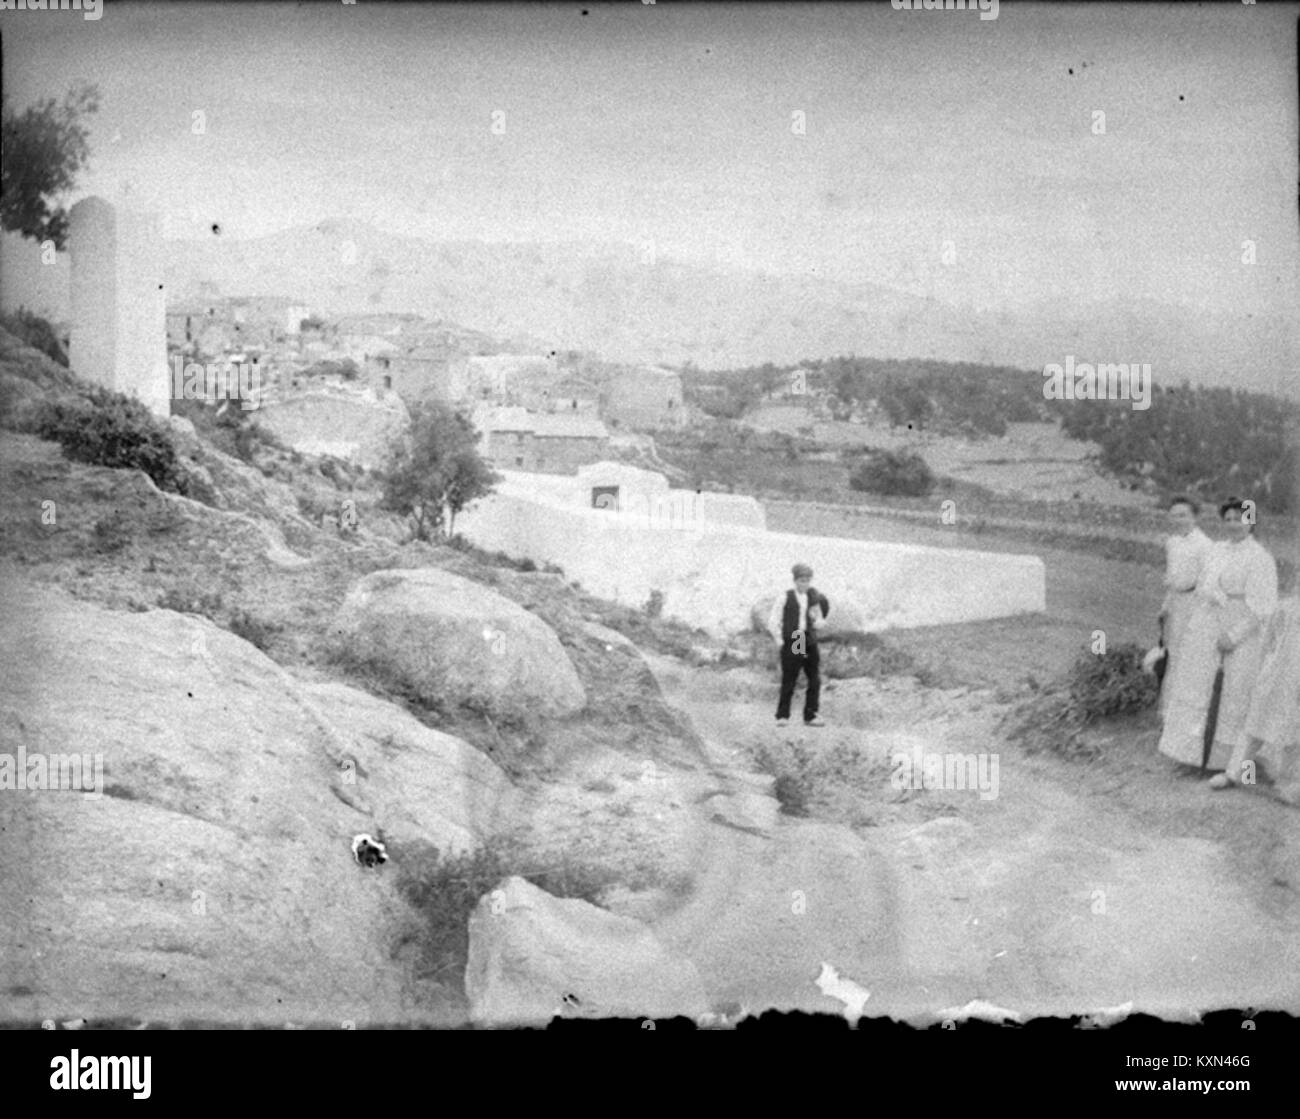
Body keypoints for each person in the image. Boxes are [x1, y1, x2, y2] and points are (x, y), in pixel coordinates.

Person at [1157, 498, 1278, 773]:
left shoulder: (1260, 557)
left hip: (1240, 631)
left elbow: (1263, 609)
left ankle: (1222, 763)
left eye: (1241, 519)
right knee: (1196, 687)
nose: (1234, 525)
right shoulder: (1218, 550)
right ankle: (1190, 755)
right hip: (1209, 624)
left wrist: (1234, 636)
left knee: (1232, 695)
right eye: (1229, 519)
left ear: (1252, 522)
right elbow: (1204, 585)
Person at [1209, 595, 1300, 797]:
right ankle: (1241, 775)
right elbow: (1268, 641)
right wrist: (1264, 669)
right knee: (1254, 726)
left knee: (1292, 734)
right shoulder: (1286, 607)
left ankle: (1289, 786)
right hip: (1276, 675)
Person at [1157, 496, 1213, 717]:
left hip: (1194, 604)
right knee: (1172, 652)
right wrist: (1165, 606)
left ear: (1195, 517)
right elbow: (1172, 580)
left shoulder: (1205, 545)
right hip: (1176, 603)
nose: (1179, 520)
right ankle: (1167, 709)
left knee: (1188, 655)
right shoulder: (1172, 543)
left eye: (1184, 515)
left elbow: (1206, 583)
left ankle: (1184, 712)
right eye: (1175, 515)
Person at [768, 563, 831, 726]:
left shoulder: (812, 596)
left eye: (807, 580)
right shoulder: (785, 596)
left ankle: (810, 715)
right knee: (791, 676)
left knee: (814, 677)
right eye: (801, 580)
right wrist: (780, 641)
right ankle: (783, 715)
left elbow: (819, 616)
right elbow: (773, 621)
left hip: (808, 637)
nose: (805, 584)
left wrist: (819, 622)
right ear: (795, 581)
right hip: (796, 638)